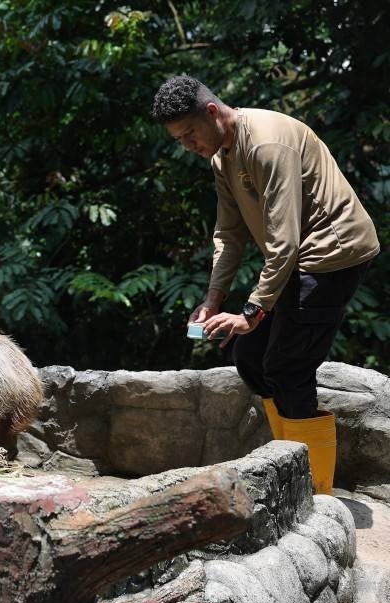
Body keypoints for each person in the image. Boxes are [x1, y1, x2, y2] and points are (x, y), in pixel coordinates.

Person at [151, 74, 380, 493]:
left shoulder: (266, 144)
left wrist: (252, 311)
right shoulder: (221, 156)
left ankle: (315, 493)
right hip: (295, 259)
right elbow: (229, 233)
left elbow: (284, 240)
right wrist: (213, 299)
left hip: (333, 254)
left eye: (189, 134)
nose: (188, 146)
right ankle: (294, 464)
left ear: (213, 113)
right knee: (250, 356)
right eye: (179, 140)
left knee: (287, 365)